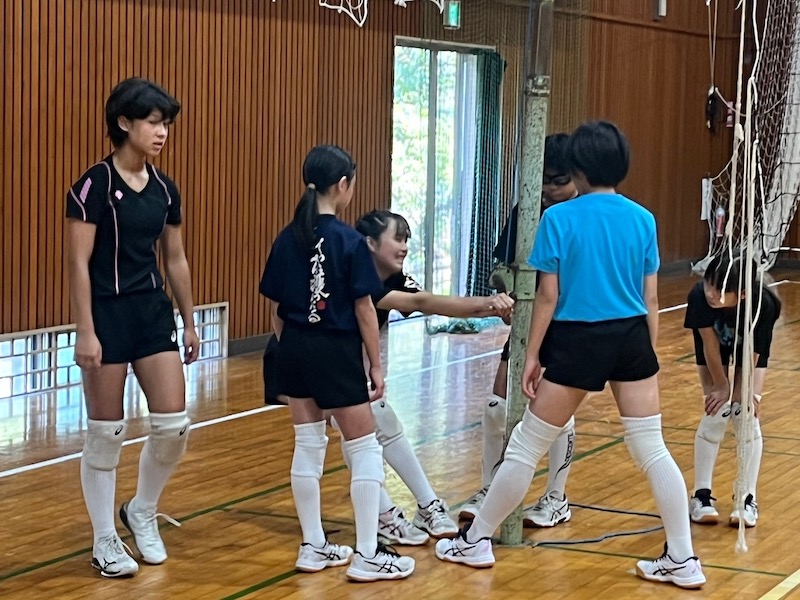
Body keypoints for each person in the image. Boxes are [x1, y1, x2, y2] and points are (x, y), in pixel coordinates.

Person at [435, 121, 706, 590]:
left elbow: (546, 298)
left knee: (525, 445)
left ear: (577, 170)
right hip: (631, 337)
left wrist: (534, 354)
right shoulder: (643, 218)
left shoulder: (558, 219)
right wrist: (647, 351)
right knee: (652, 448)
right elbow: (652, 299)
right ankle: (682, 557)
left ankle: (475, 540)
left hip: (578, 340)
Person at [259, 145, 414, 581]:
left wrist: (295, 348)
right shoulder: (348, 241)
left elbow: (275, 311)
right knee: (364, 448)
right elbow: (365, 309)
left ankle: (314, 546)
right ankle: (367, 554)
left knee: (307, 447)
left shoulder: (287, 237)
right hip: (335, 350)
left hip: (293, 348)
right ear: (343, 185)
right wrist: (376, 366)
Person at [66, 77, 199, 578]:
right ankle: (104, 538)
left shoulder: (166, 188)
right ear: (124, 123)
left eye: (166, 123)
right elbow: (78, 265)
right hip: (106, 314)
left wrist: (189, 320)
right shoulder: (93, 186)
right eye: (152, 121)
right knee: (106, 434)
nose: (162, 131)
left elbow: (176, 259)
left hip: (151, 313)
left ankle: (141, 509)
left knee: (172, 425)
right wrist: (86, 330)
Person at [353, 209, 514, 544]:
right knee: (352, 432)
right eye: (397, 238)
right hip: (311, 361)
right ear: (369, 242)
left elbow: (429, 303)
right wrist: (488, 303)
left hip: (348, 366)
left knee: (375, 420)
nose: (404, 246)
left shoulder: (393, 278)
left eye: (407, 239)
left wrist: (492, 306)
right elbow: (424, 301)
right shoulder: (353, 273)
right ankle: (382, 516)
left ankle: (425, 505)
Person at [459, 133, 579, 528]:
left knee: (555, 415)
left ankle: (556, 498)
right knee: (496, 408)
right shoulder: (527, 210)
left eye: (558, 181)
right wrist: (506, 289)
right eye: (543, 179)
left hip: (574, 326)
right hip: (530, 325)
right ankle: (490, 488)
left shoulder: (585, 216)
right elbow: (500, 267)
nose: (549, 189)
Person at [685, 252, 780, 528]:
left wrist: (742, 391)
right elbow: (709, 343)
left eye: (721, 290)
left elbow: (753, 351)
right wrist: (721, 385)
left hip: (749, 352)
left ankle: (747, 498)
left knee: (746, 414)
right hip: (713, 349)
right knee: (717, 410)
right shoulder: (699, 297)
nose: (712, 294)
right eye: (709, 284)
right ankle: (701, 496)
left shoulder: (764, 304)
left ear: (742, 295)